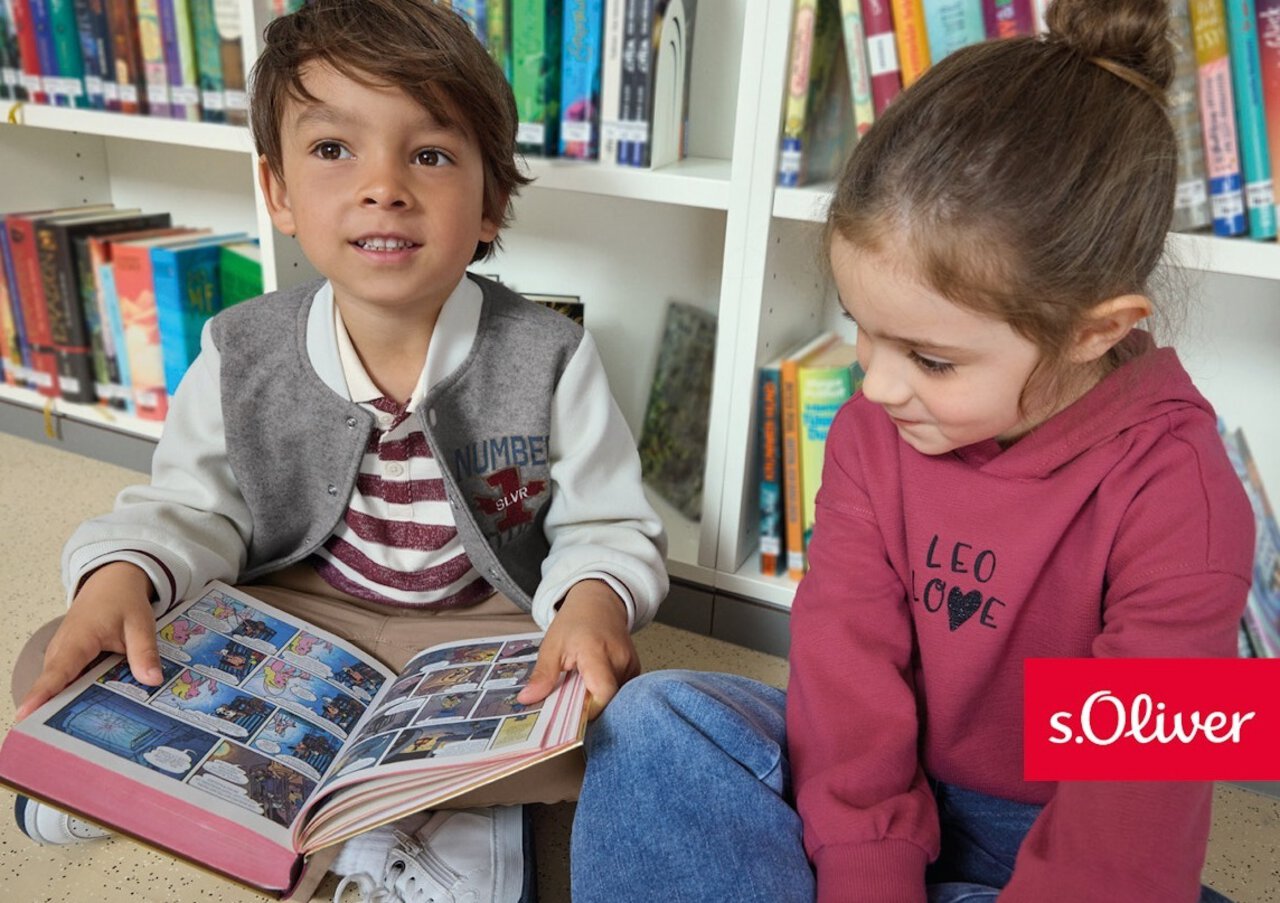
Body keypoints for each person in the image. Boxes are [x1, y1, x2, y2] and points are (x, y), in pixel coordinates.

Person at [569, 1, 1254, 901]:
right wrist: (869, 875)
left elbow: (1134, 818)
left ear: (1096, 330)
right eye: (862, 326)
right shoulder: (875, 431)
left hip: (1065, 840)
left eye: (931, 359)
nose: (879, 383)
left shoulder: (1184, 494)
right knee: (652, 724)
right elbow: (845, 681)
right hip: (880, 805)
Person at [9, 2, 667, 901]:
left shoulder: (549, 354)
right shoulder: (240, 347)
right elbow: (189, 509)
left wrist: (591, 602)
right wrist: (122, 575)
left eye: (429, 155)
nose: (383, 186)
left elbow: (605, 526)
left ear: (491, 203)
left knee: (624, 717)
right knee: (62, 652)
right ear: (278, 191)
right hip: (297, 620)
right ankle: (362, 794)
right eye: (332, 149)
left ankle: (429, 808)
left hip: (480, 632)